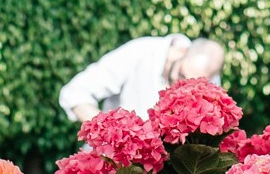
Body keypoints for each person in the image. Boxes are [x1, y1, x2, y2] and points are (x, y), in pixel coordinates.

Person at [59, 34, 224, 122]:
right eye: (181, 75)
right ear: (181, 50)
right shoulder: (140, 52)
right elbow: (74, 92)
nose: (180, 86)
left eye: (190, 86)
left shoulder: (209, 81)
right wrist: (111, 132)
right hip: (107, 167)